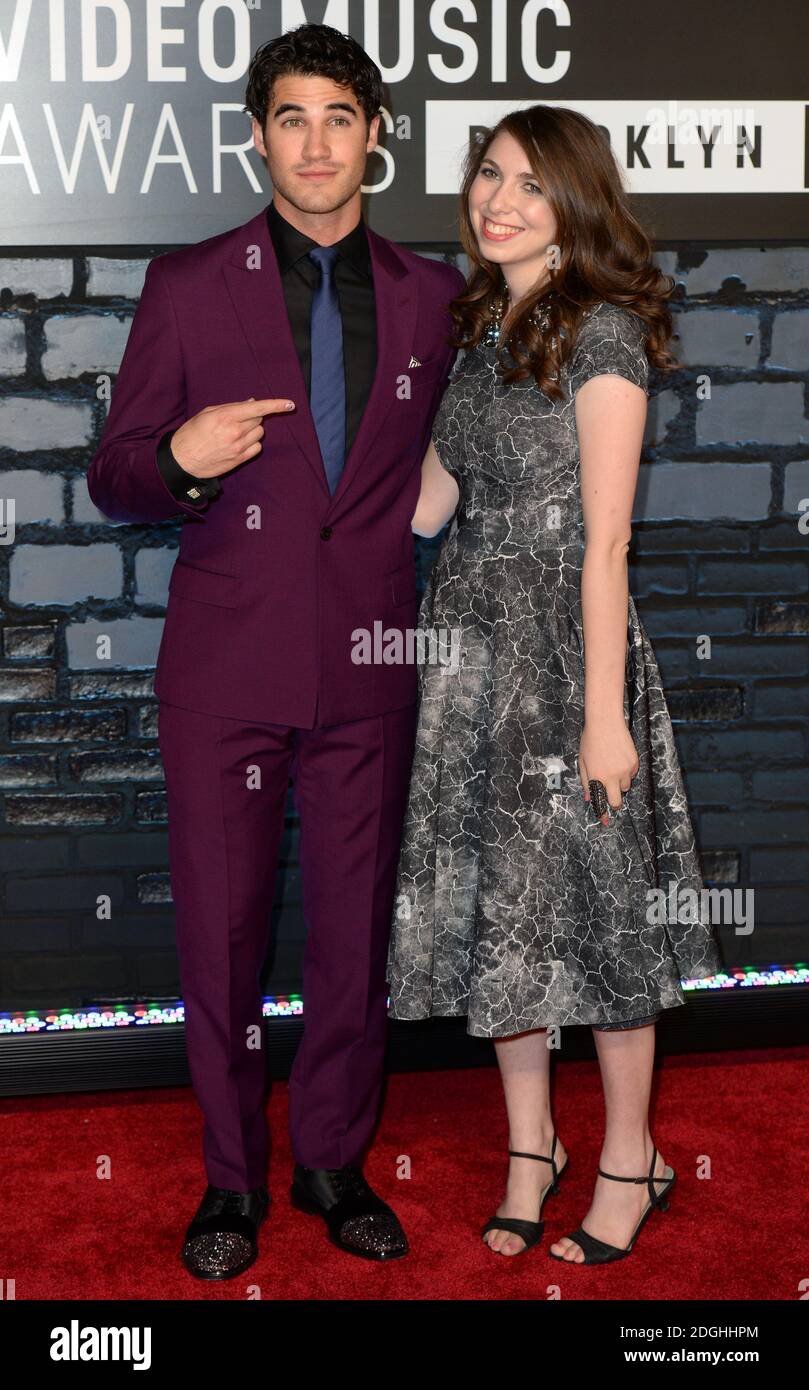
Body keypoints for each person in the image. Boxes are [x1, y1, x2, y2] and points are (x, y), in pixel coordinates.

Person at [87, 23, 465, 1278]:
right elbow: (113, 475)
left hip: (367, 666)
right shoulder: (190, 285)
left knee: (353, 936)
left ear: (373, 135)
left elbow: (445, 464)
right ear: (257, 136)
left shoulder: (431, 294)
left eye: (338, 116)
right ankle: (229, 1181)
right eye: (289, 117)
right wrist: (177, 465)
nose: (314, 141)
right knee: (223, 940)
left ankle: (333, 1164)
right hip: (222, 672)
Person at [386, 105, 725, 1265]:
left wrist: (600, 717)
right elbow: (426, 508)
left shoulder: (604, 336)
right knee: (505, 923)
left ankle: (629, 1158)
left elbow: (606, 545)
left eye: (530, 185)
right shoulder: (480, 328)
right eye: (488, 175)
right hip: (469, 658)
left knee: (603, 919)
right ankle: (531, 1147)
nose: (499, 201)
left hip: (567, 660)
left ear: (574, 205)